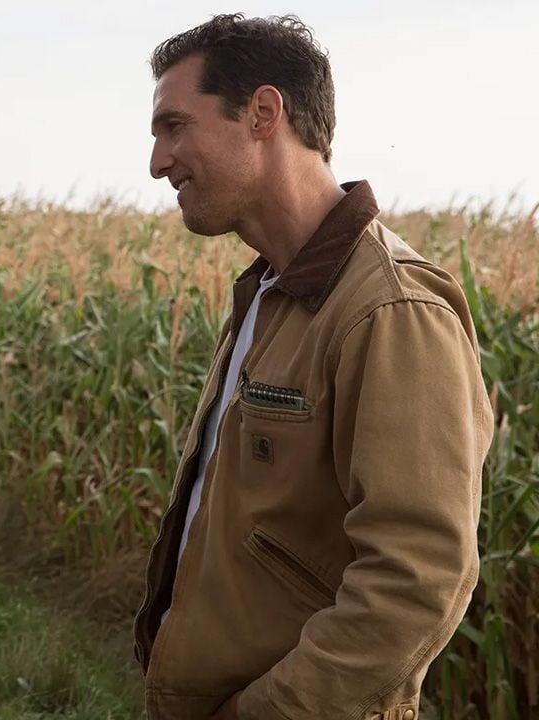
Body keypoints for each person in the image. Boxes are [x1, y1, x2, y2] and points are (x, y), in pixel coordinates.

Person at [133, 14, 493, 720]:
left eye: (174, 126)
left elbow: (414, 582)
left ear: (263, 114)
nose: (157, 161)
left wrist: (265, 711)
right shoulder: (270, 293)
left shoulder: (389, 310)